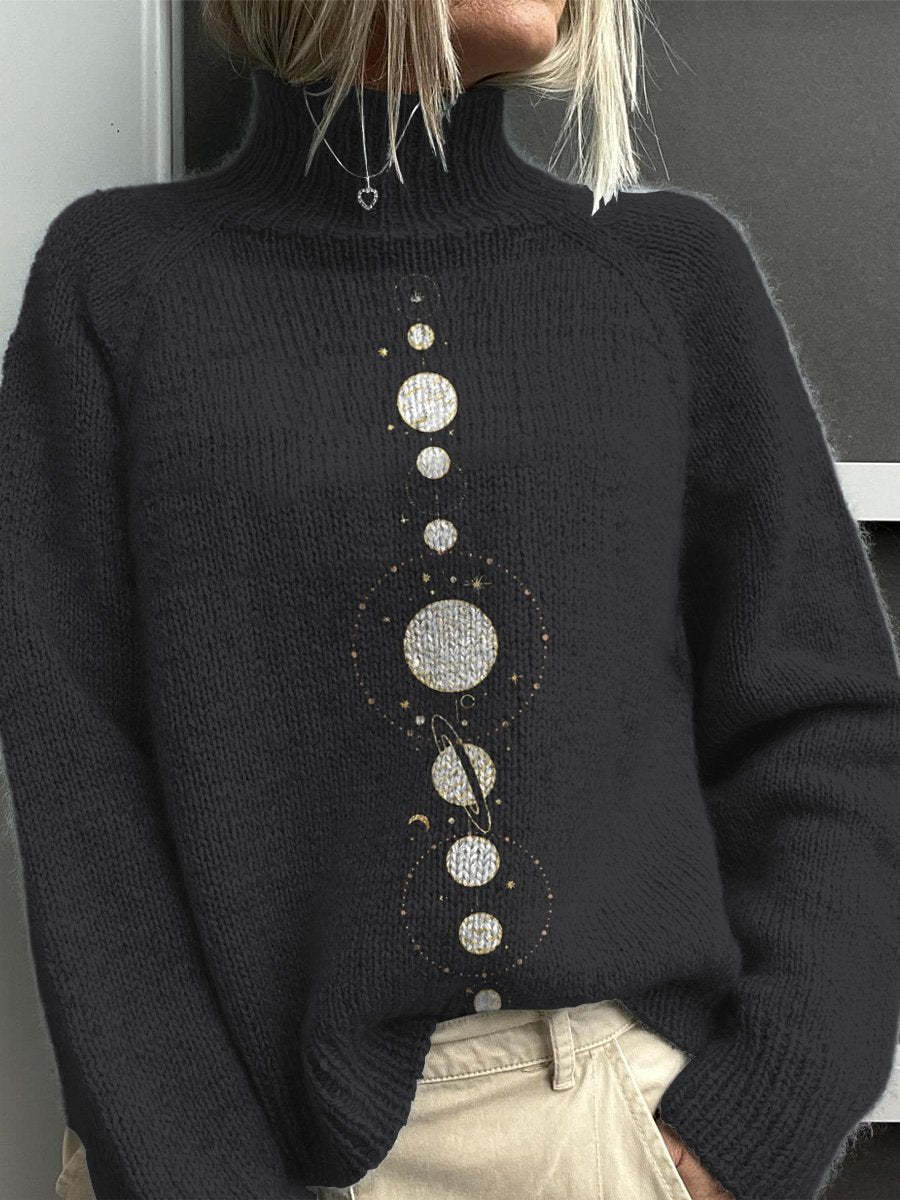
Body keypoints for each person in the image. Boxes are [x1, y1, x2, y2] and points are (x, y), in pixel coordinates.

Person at [2, 2, 898, 1199]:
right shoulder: (119, 284)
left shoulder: (668, 274)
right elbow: (80, 781)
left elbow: (823, 722)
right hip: (220, 1147)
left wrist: (749, 1125)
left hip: (600, 1132)